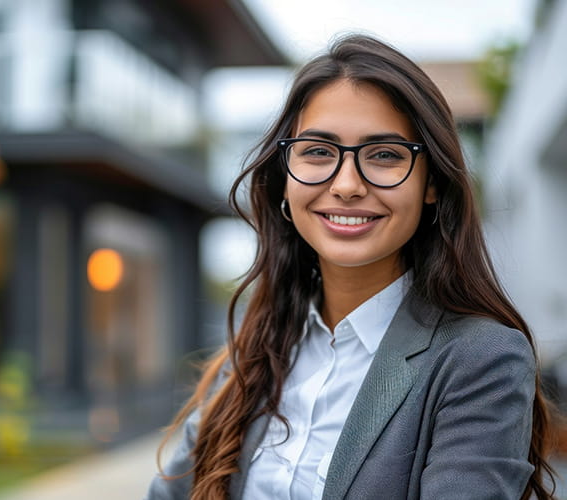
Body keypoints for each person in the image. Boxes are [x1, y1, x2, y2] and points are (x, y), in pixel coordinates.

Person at [146, 34, 556, 500]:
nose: (346, 185)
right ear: (284, 179)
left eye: (384, 155)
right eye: (318, 151)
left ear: (432, 184)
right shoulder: (256, 349)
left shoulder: (480, 359)